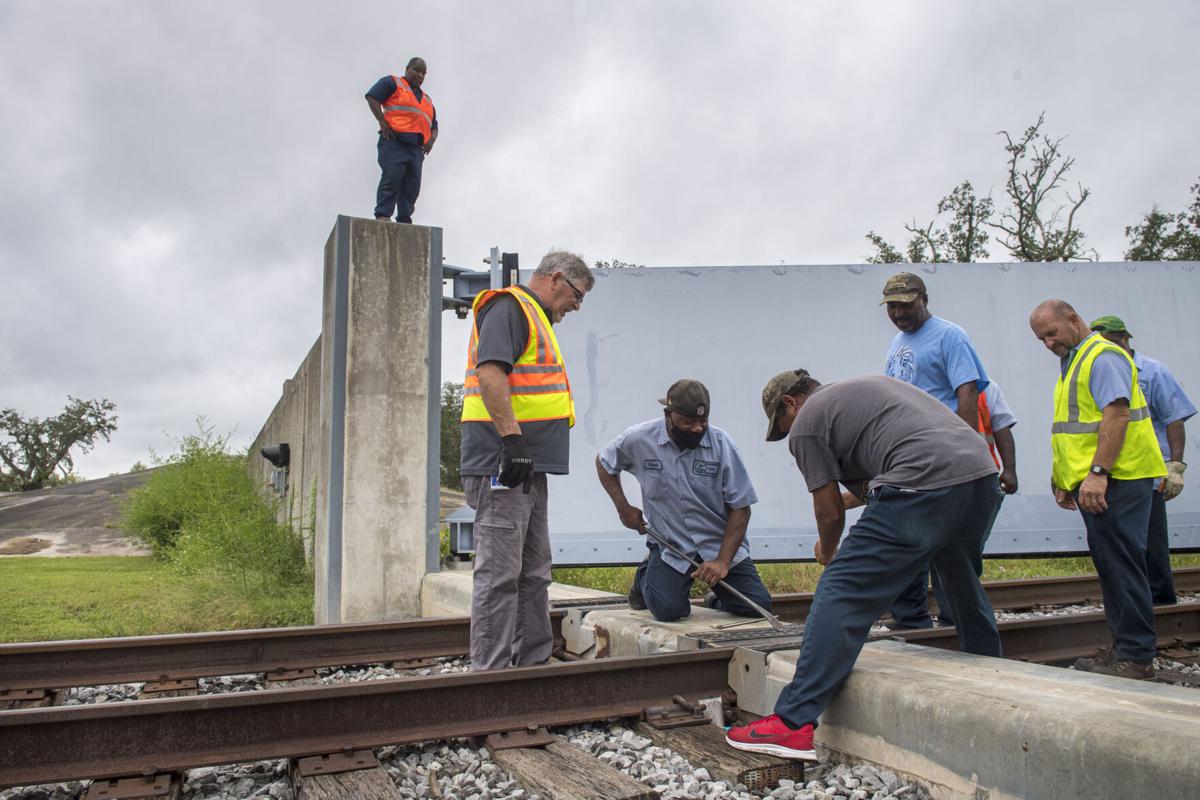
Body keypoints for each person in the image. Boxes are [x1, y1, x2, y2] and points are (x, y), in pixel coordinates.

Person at [725, 370, 1001, 761]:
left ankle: (791, 723)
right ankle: (994, 678)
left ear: (790, 403)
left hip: (923, 483)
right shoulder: (861, 395)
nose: (789, 434)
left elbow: (828, 509)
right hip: (979, 478)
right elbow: (876, 487)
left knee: (842, 589)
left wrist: (829, 550)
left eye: (783, 425)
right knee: (960, 581)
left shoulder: (808, 421)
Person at [459, 251, 594, 670]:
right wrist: (513, 441)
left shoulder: (535, 316)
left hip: (527, 466)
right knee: (500, 574)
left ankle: (531, 665)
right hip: (505, 464)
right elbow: (491, 374)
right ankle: (492, 674)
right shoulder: (510, 307)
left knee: (533, 571)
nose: (576, 306)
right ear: (555, 279)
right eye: (576, 296)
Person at [1029, 300, 1166, 679]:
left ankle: (1137, 656)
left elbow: (1117, 415)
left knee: (1122, 565)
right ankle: (1124, 650)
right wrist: (1064, 478)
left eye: (1051, 333)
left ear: (1074, 319)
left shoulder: (1101, 356)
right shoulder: (1075, 359)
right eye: (1041, 338)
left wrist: (1098, 473)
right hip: (1100, 479)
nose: (1047, 343)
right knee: (1111, 566)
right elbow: (1073, 429)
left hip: (1119, 477)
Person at [595, 379, 771, 622]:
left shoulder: (723, 445)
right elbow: (604, 463)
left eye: (703, 421)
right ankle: (645, 576)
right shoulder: (638, 439)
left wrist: (722, 562)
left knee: (758, 606)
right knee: (669, 611)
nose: (697, 428)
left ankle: (717, 600)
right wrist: (623, 508)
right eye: (688, 422)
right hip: (671, 545)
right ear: (668, 415)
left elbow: (741, 508)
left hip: (717, 544)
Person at [880, 271, 991, 629]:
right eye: (892, 306)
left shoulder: (949, 335)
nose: (898, 312)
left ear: (923, 299)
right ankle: (910, 619)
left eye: (905, 304)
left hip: (943, 451)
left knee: (947, 541)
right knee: (905, 536)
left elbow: (967, 393)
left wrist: (962, 445)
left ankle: (956, 622)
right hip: (909, 455)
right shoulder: (897, 343)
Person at [1091, 315, 1194, 605]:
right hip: (1111, 471)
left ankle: (1160, 602)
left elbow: (1174, 419)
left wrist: (1176, 466)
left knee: (1150, 541)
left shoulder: (1151, 371)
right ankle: (1132, 603)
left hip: (1148, 471)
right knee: (1118, 544)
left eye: (1109, 342)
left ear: (1124, 339)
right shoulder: (1095, 368)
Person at [365, 57, 438, 224]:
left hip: (416, 149)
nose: (420, 75)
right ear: (407, 69)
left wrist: (431, 141)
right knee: (392, 177)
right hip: (394, 141)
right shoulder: (393, 83)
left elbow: (434, 125)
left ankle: (404, 218)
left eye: (423, 73)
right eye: (417, 70)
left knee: (412, 186)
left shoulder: (427, 100)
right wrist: (382, 122)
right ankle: (383, 215)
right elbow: (372, 97)